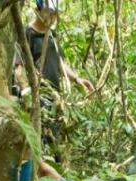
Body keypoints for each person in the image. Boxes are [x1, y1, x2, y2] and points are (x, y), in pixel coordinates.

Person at [13, 0, 94, 154]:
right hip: (37, 98)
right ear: (38, 10)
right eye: (48, 12)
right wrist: (28, 94)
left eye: (55, 13)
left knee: (52, 143)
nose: (52, 17)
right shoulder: (26, 34)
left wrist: (76, 79)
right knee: (37, 143)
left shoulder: (52, 35)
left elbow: (60, 63)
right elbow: (18, 68)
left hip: (53, 98)